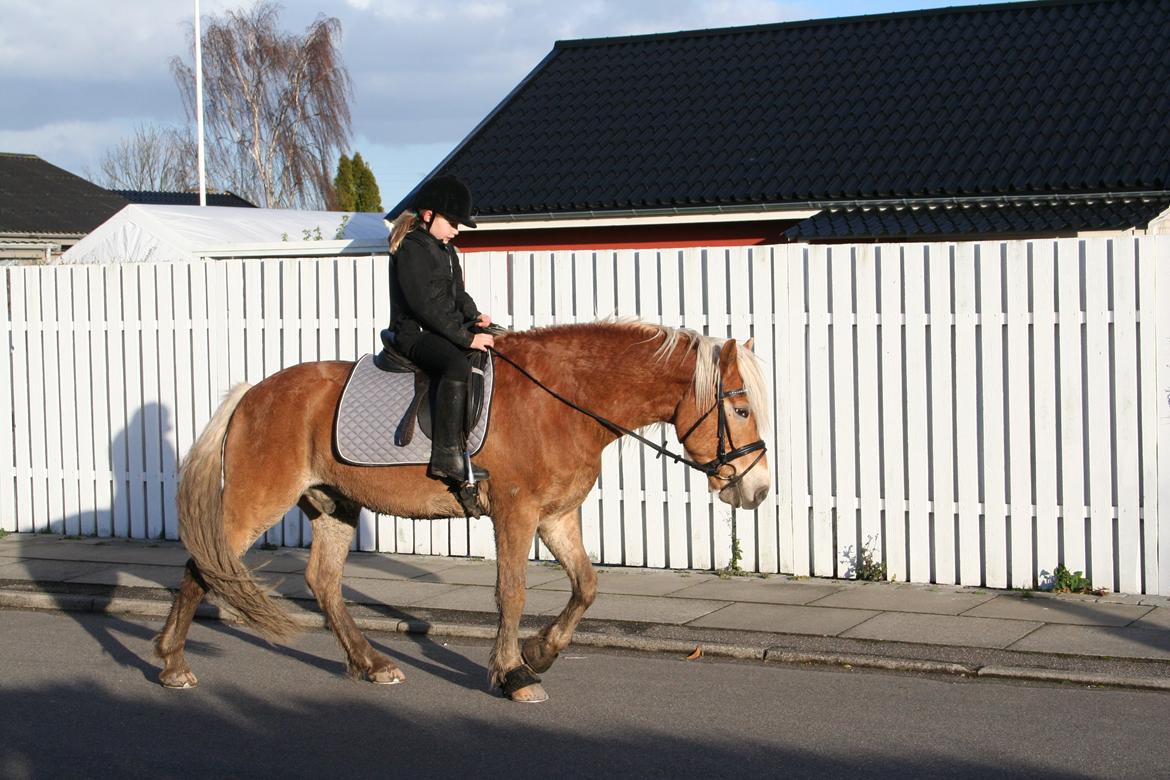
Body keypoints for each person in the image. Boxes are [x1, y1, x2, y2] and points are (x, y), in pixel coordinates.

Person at [383, 175, 493, 484]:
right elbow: (424, 306)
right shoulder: (411, 249)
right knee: (455, 364)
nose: (456, 230)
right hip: (414, 334)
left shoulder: (446, 251)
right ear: (429, 214)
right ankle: (446, 457)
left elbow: (457, 294)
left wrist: (475, 317)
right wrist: (465, 338)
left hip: (441, 328)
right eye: (453, 223)